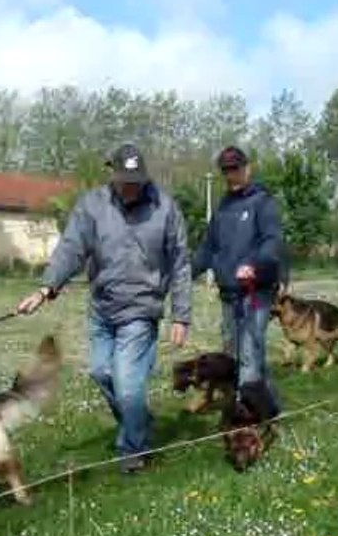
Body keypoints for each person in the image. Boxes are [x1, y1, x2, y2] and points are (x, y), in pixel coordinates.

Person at [16, 143, 191, 474]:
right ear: (112, 173)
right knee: (100, 371)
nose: (130, 187)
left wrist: (182, 314)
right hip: (103, 307)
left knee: (127, 384)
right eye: (124, 180)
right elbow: (71, 248)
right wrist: (46, 287)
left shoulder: (165, 208)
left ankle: (134, 451)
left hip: (141, 309)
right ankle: (138, 421)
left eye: (135, 181)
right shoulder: (92, 205)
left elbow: (180, 262)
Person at [191, 146, 285, 406]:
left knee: (248, 355)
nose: (231, 175)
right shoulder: (223, 207)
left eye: (235, 169)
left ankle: (247, 420)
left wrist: (255, 265)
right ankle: (269, 406)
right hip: (229, 293)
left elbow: (272, 241)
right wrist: (183, 274)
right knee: (236, 354)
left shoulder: (263, 202)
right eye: (226, 170)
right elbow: (207, 248)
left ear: (247, 168)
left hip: (256, 292)